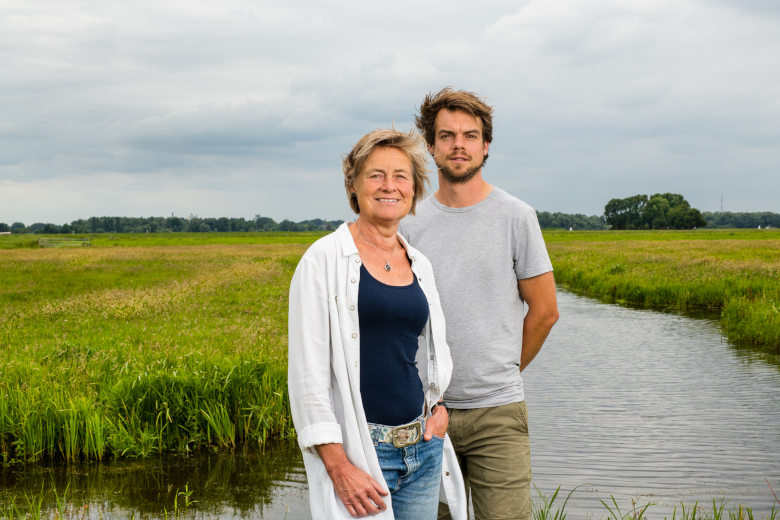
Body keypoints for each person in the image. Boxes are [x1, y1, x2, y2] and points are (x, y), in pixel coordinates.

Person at [288, 127, 468, 520]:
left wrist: (439, 409)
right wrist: (338, 466)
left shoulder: (419, 263)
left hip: (423, 447)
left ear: (415, 187)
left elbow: (427, 352)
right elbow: (307, 376)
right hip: (362, 454)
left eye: (401, 176)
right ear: (353, 185)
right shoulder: (322, 261)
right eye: (376, 175)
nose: (390, 186)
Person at [399, 88, 560, 520]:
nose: (459, 145)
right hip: (425, 416)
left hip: (498, 415)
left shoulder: (516, 216)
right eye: (447, 135)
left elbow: (545, 312)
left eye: (470, 136)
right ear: (430, 146)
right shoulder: (409, 225)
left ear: (485, 146)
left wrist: (503, 372)